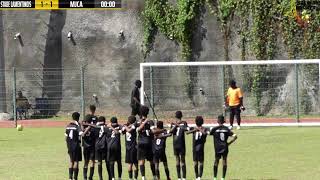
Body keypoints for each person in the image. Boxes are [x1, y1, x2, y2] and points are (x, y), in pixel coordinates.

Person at [209, 115, 237, 180]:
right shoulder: (227, 129)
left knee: (216, 161)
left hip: (217, 148)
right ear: (223, 121)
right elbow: (235, 136)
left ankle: (215, 177)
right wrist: (229, 143)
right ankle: (223, 178)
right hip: (225, 147)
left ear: (217, 121)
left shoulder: (214, 129)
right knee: (224, 161)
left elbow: (208, 133)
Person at [65, 112, 90, 180]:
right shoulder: (77, 126)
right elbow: (82, 134)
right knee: (76, 161)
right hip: (76, 146)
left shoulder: (68, 125)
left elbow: (66, 137)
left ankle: (70, 178)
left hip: (69, 146)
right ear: (78, 118)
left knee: (71, 161)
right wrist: (88, 128)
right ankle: (75, 178)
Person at [137, 105, 157, 180]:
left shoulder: (138, 122)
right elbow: (153, 131)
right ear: (147, 112)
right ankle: (154, 176)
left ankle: (143, 177)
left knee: (141, 161)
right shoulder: (150, 121)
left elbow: (138, 129)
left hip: (141, 143)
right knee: (151, 161)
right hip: (149, 143)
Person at [187, 116, 207, 180]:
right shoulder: (203, 128)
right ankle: (198, 177)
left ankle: (197, 177)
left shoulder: (200, 129)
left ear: (195, 122)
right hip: (199, 148)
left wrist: (197, 129)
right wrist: (196, 129)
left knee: (196, 162)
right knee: (199, 162)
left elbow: (204, 134)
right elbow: (187, 132)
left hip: (196, 148)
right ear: (202, 122)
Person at [169, 111, 189, 180]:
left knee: (178, 160)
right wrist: (177, 125)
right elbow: (186, 130)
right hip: (181, 143)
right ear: (181, 116)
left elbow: (170, 132)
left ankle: (179, 177)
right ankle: (183, 177)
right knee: (182, 160)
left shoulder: (176, 123)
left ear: (175, 116)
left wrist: (177, 125)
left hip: (176, 143)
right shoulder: (182, 123)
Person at [82, 105, 98, 180]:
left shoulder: (87, 116)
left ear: (89, 109)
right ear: (94, 110)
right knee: (92, 161)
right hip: (93, 142)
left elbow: (83, 124)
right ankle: (90, 177)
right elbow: (97, 128)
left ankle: (85, 177)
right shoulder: (96, 118)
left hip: (86, 142)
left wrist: (85, 130)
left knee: (86, 161)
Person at [122, 115, 139, 180]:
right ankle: (135, 178)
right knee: (135, 164)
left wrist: (125, 125)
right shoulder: (132, 127)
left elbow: (123, 132)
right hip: (133, 147)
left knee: (130, 164)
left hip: (128, 148)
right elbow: (129, 130)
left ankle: (130, 178)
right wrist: (127, 126)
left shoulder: (126, 127)